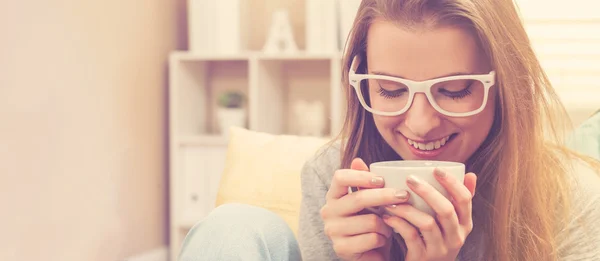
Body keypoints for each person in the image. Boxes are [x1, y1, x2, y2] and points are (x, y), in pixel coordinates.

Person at [178, 0, 600, 260]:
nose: (420, 123)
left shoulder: (569, 196)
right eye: (391, 89)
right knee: (233, 226)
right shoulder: (333, 176)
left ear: (503, 86)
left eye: (453, 91)